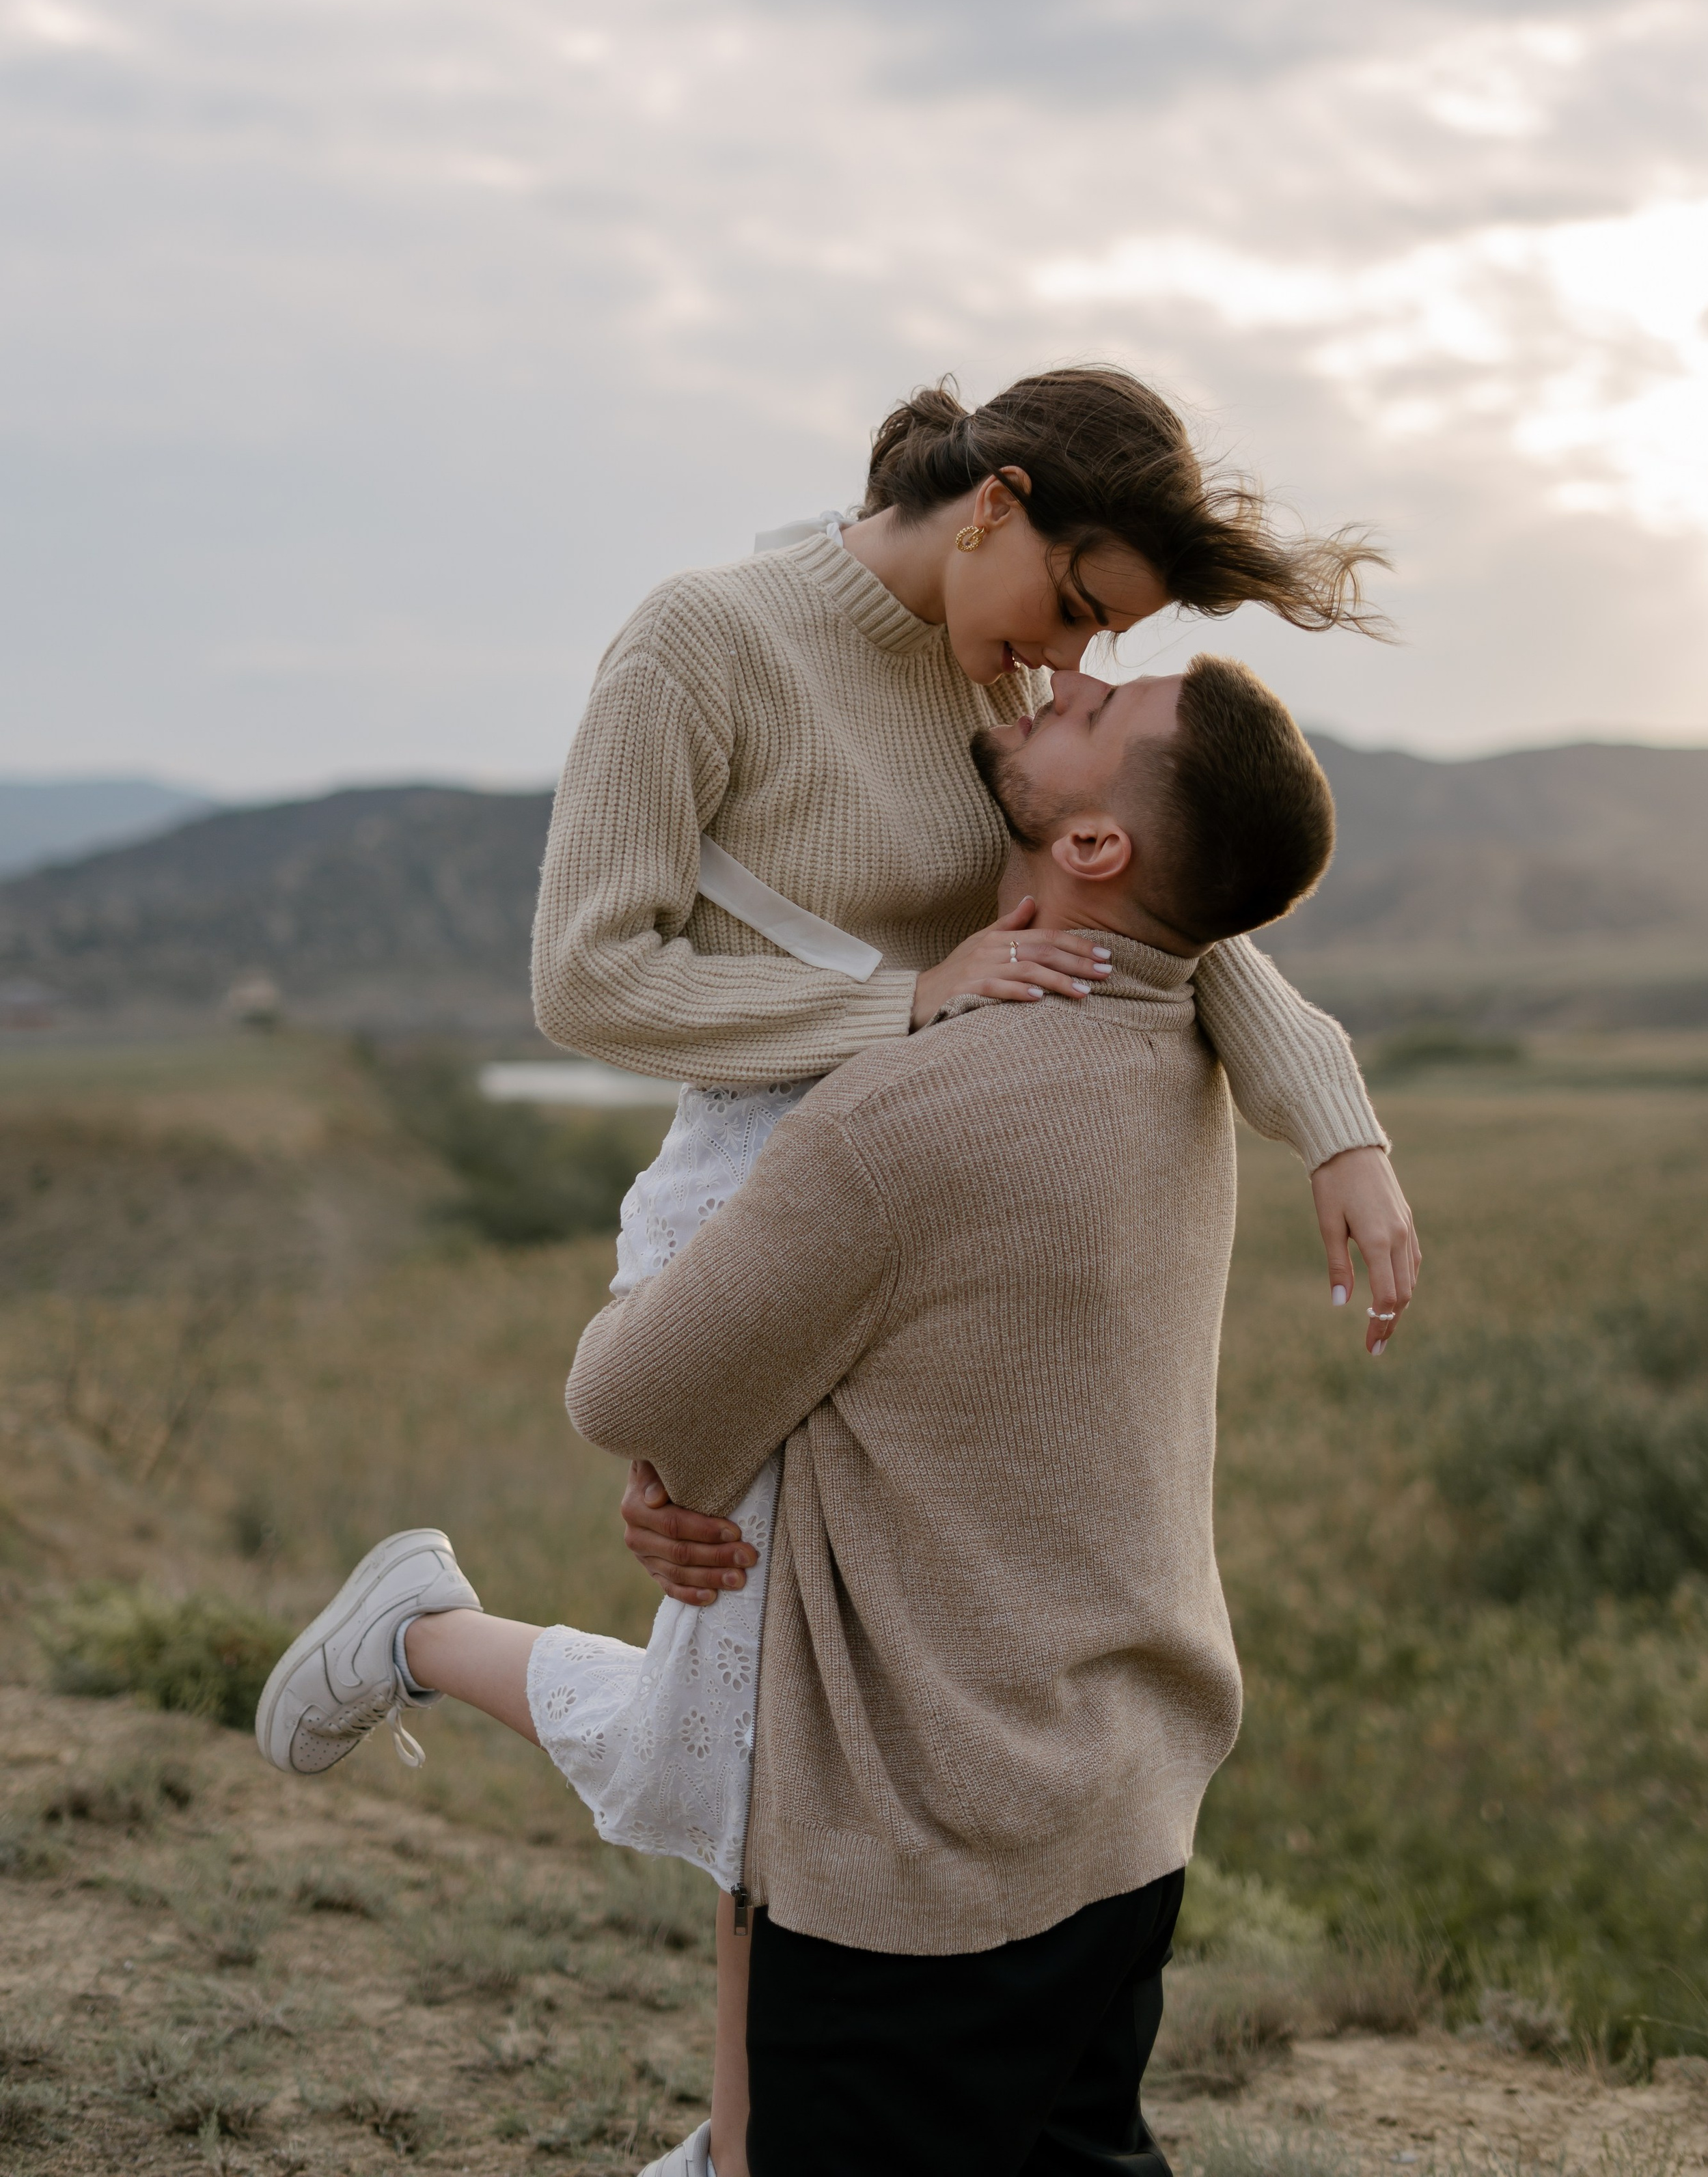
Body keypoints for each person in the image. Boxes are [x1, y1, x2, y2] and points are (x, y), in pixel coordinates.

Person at [254, 655, 1418, 2177]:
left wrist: (699, 1413)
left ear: (1090, 851)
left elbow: (623, 1392)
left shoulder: (898, 1117)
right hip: (1124, 1800)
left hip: (927, 1860)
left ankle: (416, 1646)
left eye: (1094, 713)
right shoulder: (1178, 1045)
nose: (1065, 678)